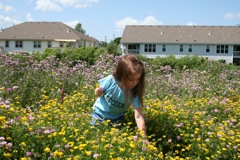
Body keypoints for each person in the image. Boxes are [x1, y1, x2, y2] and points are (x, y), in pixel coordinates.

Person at [90, 54, 147, 136]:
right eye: (131, 79)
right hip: (99, 115)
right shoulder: (111, 80)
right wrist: (98, 92)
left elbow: (138, 116)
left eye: (138, 79)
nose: (135, 82)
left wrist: (143, 137)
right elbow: (99, 92)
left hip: (117, 119)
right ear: (121, 75)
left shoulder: (134, 92)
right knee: (94, 137)